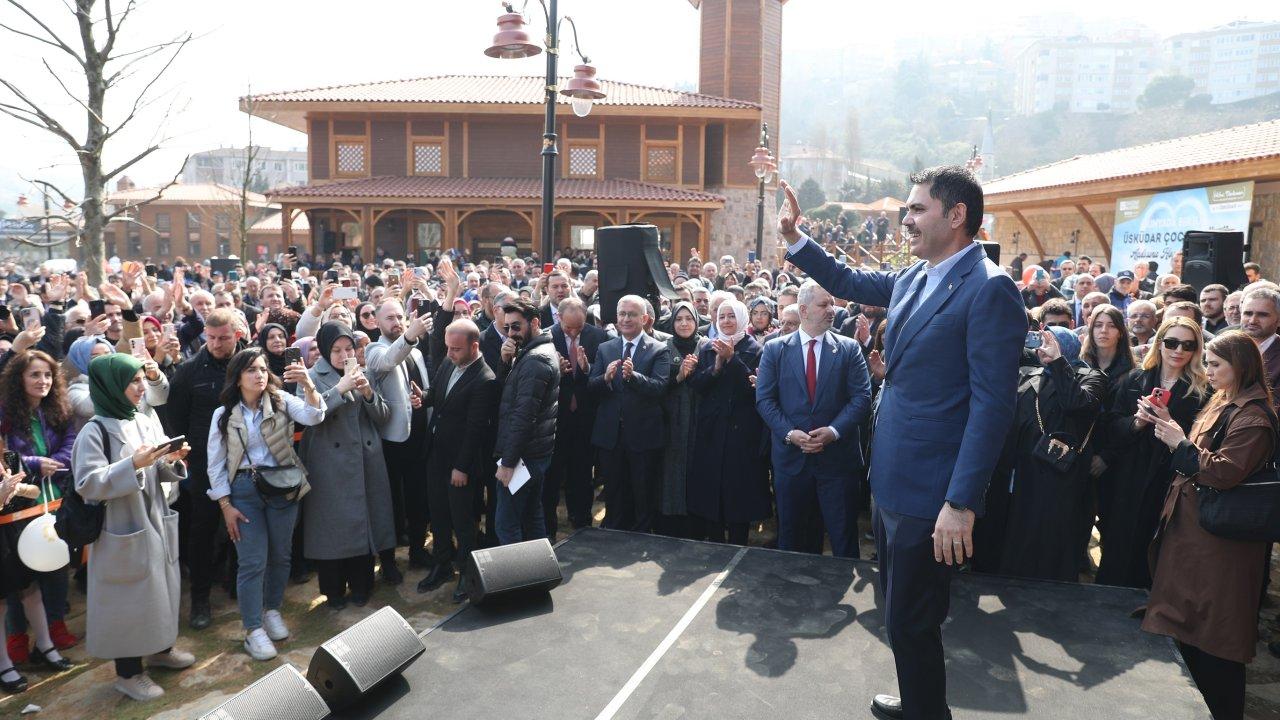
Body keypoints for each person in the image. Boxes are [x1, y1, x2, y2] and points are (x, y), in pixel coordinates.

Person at [779, 166, 1024, 720]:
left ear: (956, 215)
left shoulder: (989, 289)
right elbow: (847, 281)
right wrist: (797, 239)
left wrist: (961, 502)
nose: (906, 219)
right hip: (891, 479)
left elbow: (992, 406)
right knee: (897, 613)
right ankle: (919, 702)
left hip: (933, 492)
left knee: (912, 619)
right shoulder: (917, 275)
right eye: (906, 209)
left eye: (917, 210)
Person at [1142, 331, 1277, 720]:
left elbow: (1224, 472)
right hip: (1197, 535)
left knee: (1217, 636)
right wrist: (1169, 425)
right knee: (1192, 629)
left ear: (1241, 367)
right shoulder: (1226, 400)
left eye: (1216, 364)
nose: (1207, 370)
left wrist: (1178, 443)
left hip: (1221, 543)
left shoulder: (1253, 416)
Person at [72, 353, 195, 700]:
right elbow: (88, 483)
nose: (142, 387)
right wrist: (133, 465)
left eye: (143, 380)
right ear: (111, 386)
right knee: (128, 599)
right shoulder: (93, 431)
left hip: (155, 515)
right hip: (121, 524)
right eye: (134, 382)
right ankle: (128, 673)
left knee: (162, 588)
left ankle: (160, 648)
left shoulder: (146, 417)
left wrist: (170, 462)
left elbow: (157, 468)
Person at [207, 347, 323, 659]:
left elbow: (315, 415)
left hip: (282, 485)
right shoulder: (224, 415)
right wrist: (225, 505)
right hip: (243, 490)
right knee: (252, 561)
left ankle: (272, 610)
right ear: (238, 377)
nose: (258, 375)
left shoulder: (282, 401)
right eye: (251, 370)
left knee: (281, 555)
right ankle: (253, 628)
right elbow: (215, 464)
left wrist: (309, 384)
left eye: (261, 369)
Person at [978, 327, 1106, 581]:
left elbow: (1077, 404)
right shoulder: (1028, 373)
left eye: (1053, 341)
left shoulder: (1091, 376)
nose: (1045, 347)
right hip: (1018, 471)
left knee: (1048, 541)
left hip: (1057, 476)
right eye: (1042, 341)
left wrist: (1059, 362)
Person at [756, 280, 872, 557]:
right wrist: (789, 434)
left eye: (832, 303)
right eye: (824, 304)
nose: (831, 309)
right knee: (793, 540)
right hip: (791, 463)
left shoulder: (848, 349)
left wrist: (833, 431)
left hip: (837, 464)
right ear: (804, 309)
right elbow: (765, 400)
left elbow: (862, 398)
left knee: (843, 539)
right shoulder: (775, 349)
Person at [1095, 317, 1209, 589]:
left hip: (1167, 478)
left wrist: (1169, 423)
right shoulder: (1133, 379)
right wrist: (1136, 423)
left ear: (1196, 350)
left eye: (1188, 345)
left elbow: (1202, 438)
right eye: (1171, 342)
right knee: (1118, 539)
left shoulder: (1202, 391)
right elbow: (1110, 425)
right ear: (1159, 344)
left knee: (1156, 543)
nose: (1178, 350)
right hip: (1127, 475)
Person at [299, 323, 395, 610]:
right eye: (336, 350)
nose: (343, 356)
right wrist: (340, 389)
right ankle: (333, 591)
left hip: (365, 460)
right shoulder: (312, 376)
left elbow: (383, 416)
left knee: (363, 525)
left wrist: (367, 394)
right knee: (331, 529)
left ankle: (362, 586)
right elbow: (311, 415)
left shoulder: (362, 373)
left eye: (348, 349)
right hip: (329, 462)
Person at [167, 308, 243, 630]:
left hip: (244, 461)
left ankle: (239, 583)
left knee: (245, 524)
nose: (216, 344)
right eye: (210, 338)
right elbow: (175, 419)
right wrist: (186, 455)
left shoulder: (249, 364)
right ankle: (200, 599)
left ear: (236, 335)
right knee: (202, 531)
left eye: (223, 338)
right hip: (202, 466)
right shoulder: (188, 371)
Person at [1, 351, 79, 662]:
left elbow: (70, 447)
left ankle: (55, 626)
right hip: (18, 505)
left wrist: (53, 464)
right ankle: (17, 635)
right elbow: (3, 457)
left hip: (55, 499)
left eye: (47, 375)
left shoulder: (59, 408)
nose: (42, 381)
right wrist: (33, 463)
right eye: (34, 374)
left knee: (57, 567)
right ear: (19, 378)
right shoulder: (5, 413)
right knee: (19, 576)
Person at [417, 319, 499, 600]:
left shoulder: (485, 379)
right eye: (448, 347)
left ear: (474, 346)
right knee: (438, 513)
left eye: (456, 349)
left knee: (463, 520)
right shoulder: (449, 362)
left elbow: (475, 430)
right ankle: (442, 563)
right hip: (435, 455)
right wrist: (424, 397)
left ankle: (467, 570)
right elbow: (439, 395)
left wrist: (461, 467)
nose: (449, 353)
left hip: (460, 463)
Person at [685, 299, 770, 545]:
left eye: (731, 316)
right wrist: (716, 368)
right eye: (722, 317)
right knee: (711, 487)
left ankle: (737, 542)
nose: (726, 322)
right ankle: (713, 538)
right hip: (712, 430)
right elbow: (697, 386)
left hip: (741, 433)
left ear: (743, 318)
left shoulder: (756, 349)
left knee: (737, 491)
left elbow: (752, 388)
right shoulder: (708, 348)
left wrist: (732, 360)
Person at [590, 296, 673, 534]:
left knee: (643, 491)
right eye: (622, 314)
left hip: (643, 435)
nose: (626, 319)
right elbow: (591, 386)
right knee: (614, 490)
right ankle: (615, 532)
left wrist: (633, 377)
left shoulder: (659, 349)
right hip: (610, 436)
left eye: (632, 314)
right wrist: (604, 379)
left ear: (644, 318)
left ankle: (641, 536)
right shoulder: (606, 348)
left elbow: (659, 388)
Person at [363, 299, 432, 581]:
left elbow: (421, 389)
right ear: (378, 322)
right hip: (390, 441)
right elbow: (389, 360)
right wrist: (410, 335)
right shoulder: (374, 349)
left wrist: (419, 398)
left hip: (417, 436)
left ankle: (418, 549)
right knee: (390, 502)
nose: (397, 321)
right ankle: (389, 561)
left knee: (418, 497)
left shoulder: (413, 352)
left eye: (400, 316)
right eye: (389, 318)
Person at [490, 299, 559, 544]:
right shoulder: (531, 353)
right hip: (533, 452)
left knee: (507, 525)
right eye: (507, 328)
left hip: (523, 457)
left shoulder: (535, 360)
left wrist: (508, 462)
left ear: (535, 323)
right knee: (531, 516)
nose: (511, 334)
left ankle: (517, 581)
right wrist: (505, 362)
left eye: (516, 327)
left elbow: (523, 416)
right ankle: (537, 578)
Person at [546, 297, 608, 538]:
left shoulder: (598, 337)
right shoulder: (546, 337)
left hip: (585, 416)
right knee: (552, 476)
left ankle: (581, 520)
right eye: (568, 327)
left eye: (578, 328)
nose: (573, 332)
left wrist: (586, 368)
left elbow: (602, 376)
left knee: (582, 473)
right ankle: (548, 526)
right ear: (558, 318)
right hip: (555, 418)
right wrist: (555, 371)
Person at [658, 301, 706, 537]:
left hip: (699, 418)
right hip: (671, 419)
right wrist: (679, 376)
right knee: (671, 469)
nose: (684, 323)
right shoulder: (663, 347)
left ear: (697, 320)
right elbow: (656, 386)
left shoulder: (706, 346)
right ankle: (671, 521)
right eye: (679, 319)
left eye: (689, 318)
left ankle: (696, 522)